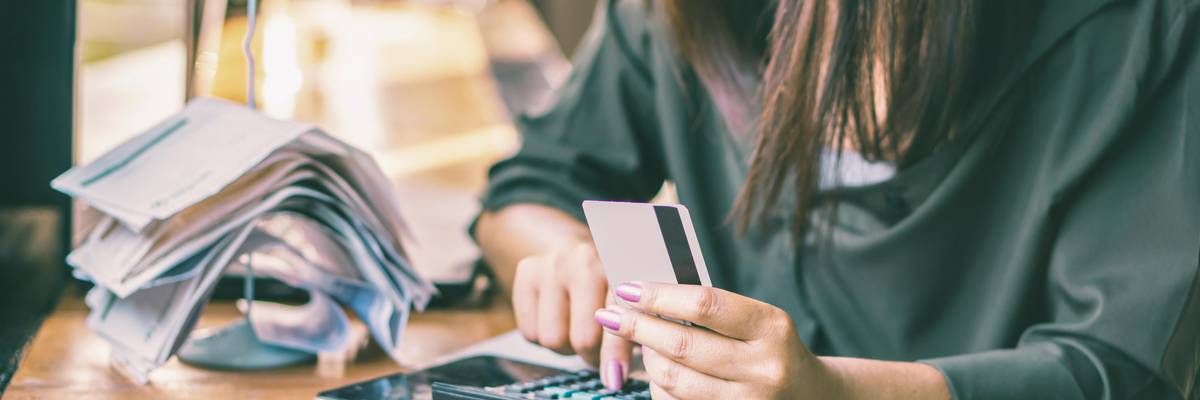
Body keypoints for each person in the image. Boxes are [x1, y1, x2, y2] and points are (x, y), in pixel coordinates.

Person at [473, 0, 1200, 398]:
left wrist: (835, 394)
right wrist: (567, 255)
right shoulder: (679, 14)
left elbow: (1123, 370)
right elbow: (530, 188)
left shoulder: (1138, 31)